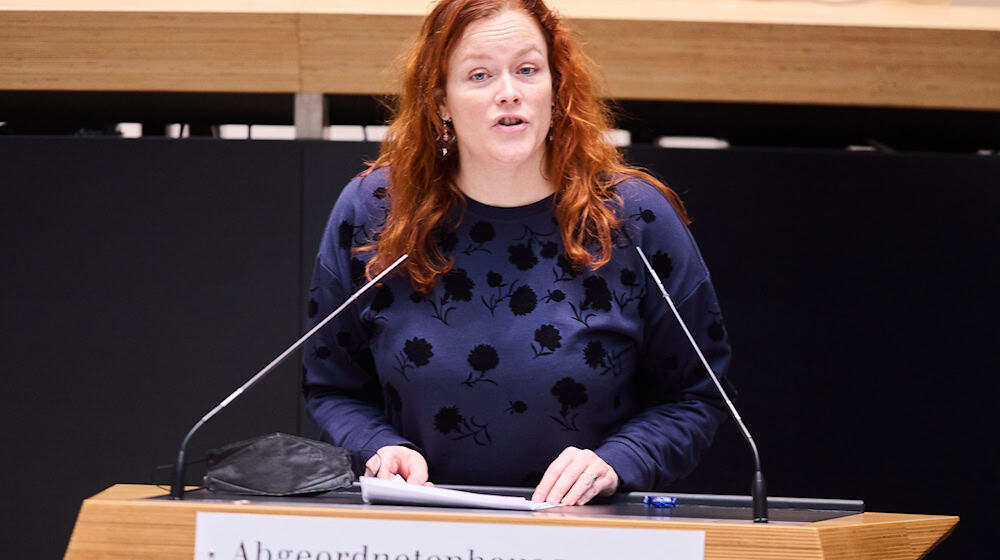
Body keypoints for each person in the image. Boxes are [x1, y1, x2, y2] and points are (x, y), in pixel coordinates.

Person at [303, 0, 732, 506]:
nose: (509, 93)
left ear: (556, 88)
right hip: (417, 529)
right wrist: (378, 448)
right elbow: (331, 387)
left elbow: (696, 396)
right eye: (480, 75)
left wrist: (620, 460)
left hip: (585, 533)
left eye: (527, 70)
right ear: (441, 101)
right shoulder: (376, 213)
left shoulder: (633, 218)